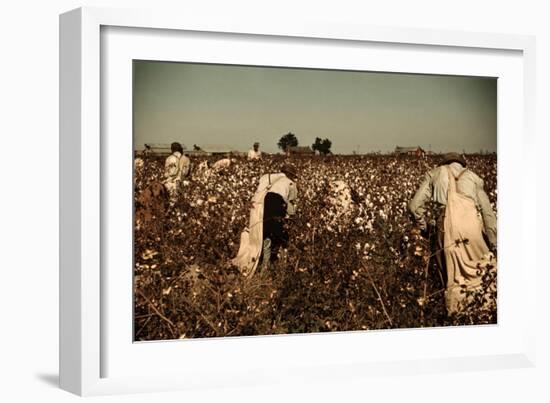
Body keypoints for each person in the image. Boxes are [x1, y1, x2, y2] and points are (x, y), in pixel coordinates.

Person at [408, 152, 497, 314]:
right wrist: (494, 243)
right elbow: (488, 214)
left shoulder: (434, 174)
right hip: (472, 227)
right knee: (482, 271)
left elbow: (414, 207)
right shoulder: (473, 177)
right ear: (462, 164)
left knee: (451, 279)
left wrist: (425, 228)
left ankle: (456, 317)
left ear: (444, 163)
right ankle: (482, 314)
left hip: (445, 227)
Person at [232, 164, 298, 277]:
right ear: (290, 174)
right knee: (273, 237)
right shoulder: (290, 183)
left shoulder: (266, 176)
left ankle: (249, 264)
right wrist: (293, 219)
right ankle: (265, 270)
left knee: (256, 237)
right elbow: (291, 208)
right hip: (274, 205)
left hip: (256, 206)